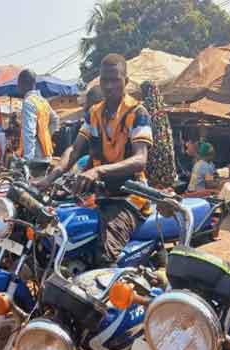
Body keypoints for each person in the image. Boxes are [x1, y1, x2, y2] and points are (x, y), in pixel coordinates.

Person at [35, 53, 153, 267]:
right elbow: (75, 149)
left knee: (105, 258)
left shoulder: (138, 112)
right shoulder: (94, 113)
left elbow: (140, 159)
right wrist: (49, 178)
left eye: (115, 80)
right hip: (102, 196)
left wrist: (98, 171)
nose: (109, 86)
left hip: (130, 199)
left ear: (125, 82)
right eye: (104, 80)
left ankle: (107, 296)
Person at [17, 69, 59, 162]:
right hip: (46, 153)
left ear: (22, 84)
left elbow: (29, 132)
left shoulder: (28, 102)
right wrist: (46, 136)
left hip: (35, 157)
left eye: (18, 84)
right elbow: (55, 120)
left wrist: (28, 158)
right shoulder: (42, 101)